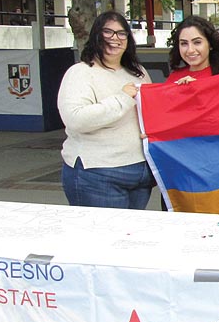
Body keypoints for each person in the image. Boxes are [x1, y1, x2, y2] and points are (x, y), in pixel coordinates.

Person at [58, 11, 154, 209]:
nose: (115, 38)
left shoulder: (138, 72)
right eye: (107, 32)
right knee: (103, 238)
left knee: (129, 237)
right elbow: (76, 120)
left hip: (141, 172)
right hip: (98, 174)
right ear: (96, 35)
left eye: (121, 33)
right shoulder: (80, 73)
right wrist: (123, 99)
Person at [167, 15, 219, 84]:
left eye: (197, 42)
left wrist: (198, 87)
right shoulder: (174, 77)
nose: (190, 50)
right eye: (184, 43)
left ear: (210, 44)